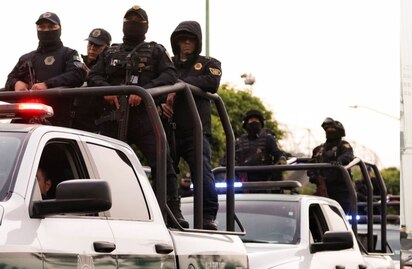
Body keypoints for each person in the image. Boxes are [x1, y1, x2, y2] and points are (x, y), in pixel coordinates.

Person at [88, 6, 185, 228]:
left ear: (145, 26)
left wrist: (144, 91)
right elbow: (94, 75)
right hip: (113, 116)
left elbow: (170, 75)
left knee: (162, 161)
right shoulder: (111, 52)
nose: (132, 23)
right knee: (103, 164)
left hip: (144, 115)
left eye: (137, 21)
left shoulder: (156, 51)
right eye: (129, 19)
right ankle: (101, 211)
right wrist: (107, 91)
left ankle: (171, 210)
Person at [161, 20, 221, 230]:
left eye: (190, 40)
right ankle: (167, 212)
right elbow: (156, 85)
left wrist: (179, 87)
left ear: (197, 42)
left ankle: (206, 216)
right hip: (169, 128)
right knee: (163, 171)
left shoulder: (209, 63)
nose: (186, 43)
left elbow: (211, 83)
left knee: (202, 172)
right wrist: (161, 104)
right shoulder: (167, 66)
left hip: (195, 130)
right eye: (182, 40)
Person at [5, 12, 86, 127]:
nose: (46, 30)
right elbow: (10, 79)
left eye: (51, 27)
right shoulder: (26, 58)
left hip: (57, 121)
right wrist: (16, 83)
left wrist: (47, 85)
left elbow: (77, 74)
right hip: (25, 121)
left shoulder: (69, 54)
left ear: (60, 28)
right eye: (42, 27)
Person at [310, 117, 355, 213]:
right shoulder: (319, 149)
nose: (329, 131)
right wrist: (312, 174)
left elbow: (348, 155)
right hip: (323, 188)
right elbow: (312, 163)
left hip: (341, 188)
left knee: (342, 214)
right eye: (327, 129)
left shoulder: (343, 145)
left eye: (332, 129)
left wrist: (339, 161)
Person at [71, 28, 111, 133]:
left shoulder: (110, 68)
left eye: (97, 46)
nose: (92, 48)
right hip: (75, 121)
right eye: (90, 44)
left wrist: (91, 76)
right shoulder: (78, 64)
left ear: (107, 47)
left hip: (97, 124)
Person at [235, 109, 287, 183]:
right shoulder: (239, 142)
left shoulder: (268, 139)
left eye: (256, 120)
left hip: (265, 181)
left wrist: (281, 159)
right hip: (244, 181)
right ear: (246, 123)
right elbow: (228, 159)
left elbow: (278, 154)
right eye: (251, 120)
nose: (254, 122)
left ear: (261, 123)